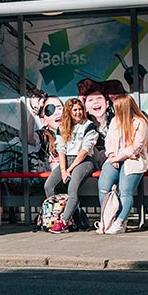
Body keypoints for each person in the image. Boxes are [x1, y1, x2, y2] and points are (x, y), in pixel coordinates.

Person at [96, 94, 148, 235]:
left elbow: (135, 147)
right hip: (114, 159)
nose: (114, 111)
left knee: (125, 192)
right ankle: (107, 218)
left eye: (117, 108)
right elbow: (108, 141)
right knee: (104, 187)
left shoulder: (140, 123)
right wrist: (111, 155)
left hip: (133, 160)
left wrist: (118, 158)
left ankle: (120, 221)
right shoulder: (115, 121)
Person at [42, 98, 98, 233]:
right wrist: (62, 170)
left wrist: (69, 170)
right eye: (75, 110)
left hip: (83, 161)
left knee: (72, 190)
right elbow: (61, 149)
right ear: (69, 112)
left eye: (80, 109)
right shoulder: (62, 127)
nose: (78, 112)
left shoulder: (89, 125)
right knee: (49, 185)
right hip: (66, 160)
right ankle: (53, 217)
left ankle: (64, 222)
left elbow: (85, 150)